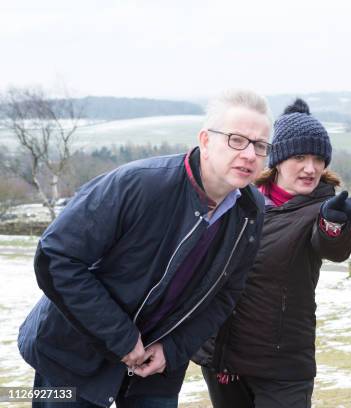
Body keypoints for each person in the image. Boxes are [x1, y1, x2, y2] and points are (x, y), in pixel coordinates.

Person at [18, 89, 272, 407]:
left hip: (156, 368)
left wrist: (174, 348)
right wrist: (122, 339)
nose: (250, 154)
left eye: (260, 145)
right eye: (237, 139)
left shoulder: (251, 210)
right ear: (206, 141)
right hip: (75, 355)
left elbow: (225, 295)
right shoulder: (139, 184)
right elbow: (56, 256)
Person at [200, 99, 351, 408]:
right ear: (277, 158)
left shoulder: (320, 209)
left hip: (282, 366)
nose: (310, 168)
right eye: (300, 156)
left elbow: (332, 247)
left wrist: (334, 224)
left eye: (318, 158)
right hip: (223, 356)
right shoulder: (237, 199)